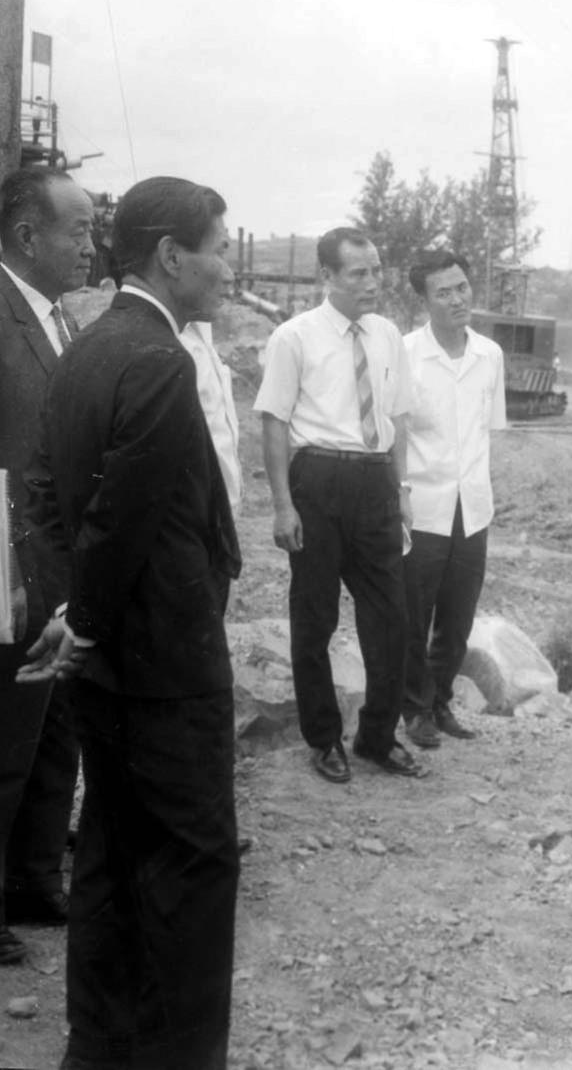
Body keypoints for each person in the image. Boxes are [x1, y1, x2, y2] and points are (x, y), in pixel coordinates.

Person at [20, 175, 243, 1068]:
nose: (228, 267)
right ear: (171, 255)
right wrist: (91, 618)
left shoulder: (84, 346)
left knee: (111, 858)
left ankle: (100, 1047)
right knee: (196, 866)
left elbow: (44, 497)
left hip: (105, 667)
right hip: (163, 667)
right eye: (221, 248)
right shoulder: (157, 358)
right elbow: (125, 518)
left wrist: (68, 611)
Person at [254, 227, 419, 783]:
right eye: (359, 273)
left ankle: (377, 735)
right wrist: (282, 505)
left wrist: (401, 492)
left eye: (377, 270)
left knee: (392, 618)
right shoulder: (293, 338)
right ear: (328, 276)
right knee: (315, 616)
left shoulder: (388, 335)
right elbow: (274, 422)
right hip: (318, 481)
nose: (373, 282)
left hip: (375, 484)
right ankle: (324, 738)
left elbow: (396, 418)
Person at [0, 166, 92, 965]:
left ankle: (32, 878)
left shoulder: (62, 320)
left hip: (60, 566)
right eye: (79, 231)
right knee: (4, 737)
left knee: (52, 731)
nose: (91, 247)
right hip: (10, 568)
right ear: (28, 236)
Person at [400, 250, 506, 750]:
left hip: (473, 508)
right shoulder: (404, 356)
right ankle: (414, 709)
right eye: (443, 291)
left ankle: (440, 702)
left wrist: (482, 496)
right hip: (422, 507)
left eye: (462, 286)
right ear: (423, 300)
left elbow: (489, 433)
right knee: (414, 615)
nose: (458, 298)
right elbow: (393, 435)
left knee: (458, 617)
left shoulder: (490, 356)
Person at [178, 305, 242, 512]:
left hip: (220, 508)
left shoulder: (201, 332)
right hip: (192, 511)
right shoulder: (170, 339)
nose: (228, 278)